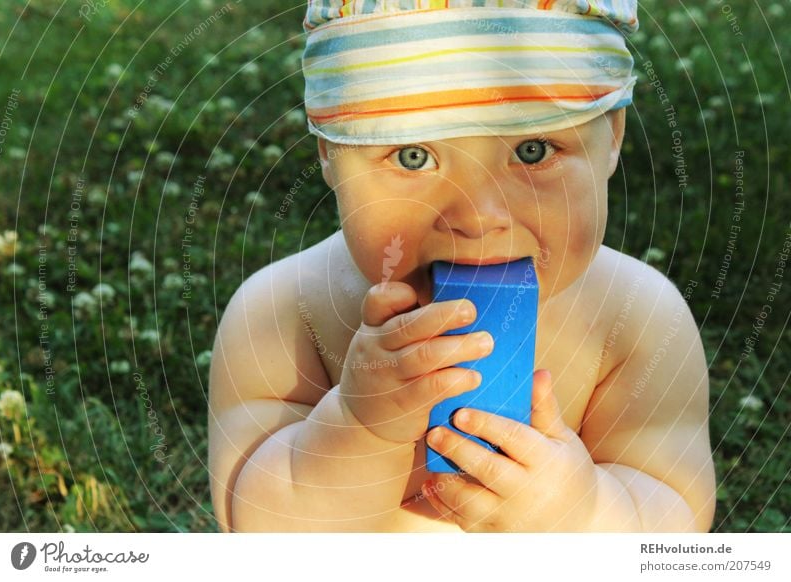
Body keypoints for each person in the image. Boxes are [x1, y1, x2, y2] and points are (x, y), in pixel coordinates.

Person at [208, 0, 716, 532]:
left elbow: (672, 509)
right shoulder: (282, 315)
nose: (478, 217)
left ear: (611, 137)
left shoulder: (637, 321)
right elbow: (259, 527)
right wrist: (358, 430)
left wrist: (584, 518)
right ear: (330, 155)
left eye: (533, 149)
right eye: (412, 156)